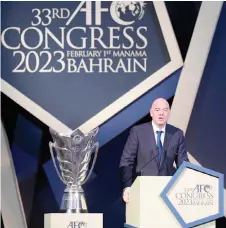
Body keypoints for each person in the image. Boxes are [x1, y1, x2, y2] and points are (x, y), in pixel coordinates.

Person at [119, 98, 189, 203]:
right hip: (142, 190)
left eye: (165, 110)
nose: (161, 113)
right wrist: (127, 186)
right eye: (157, 110)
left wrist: (189, 183)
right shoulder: (138, 131)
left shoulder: (177, 133)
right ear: (151, 113)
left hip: (168, 192)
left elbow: (183, 163)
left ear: (169, 113)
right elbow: (126, 161)